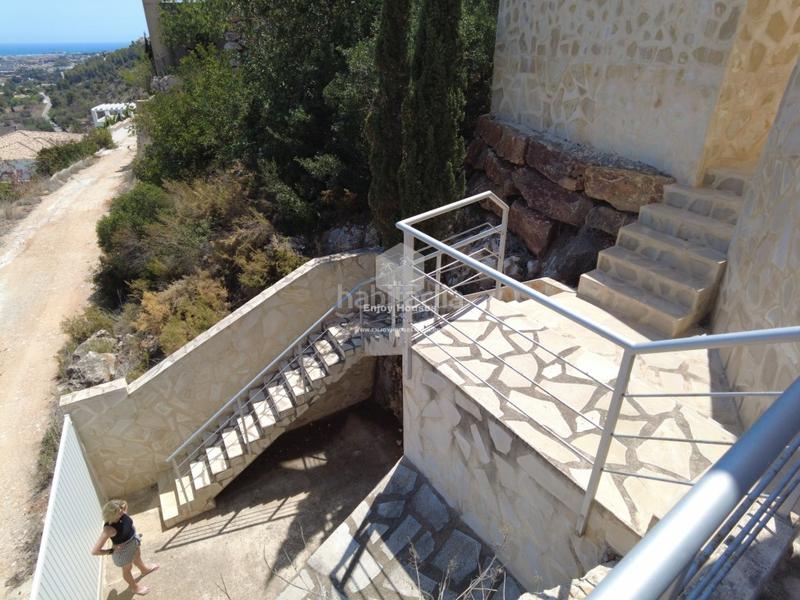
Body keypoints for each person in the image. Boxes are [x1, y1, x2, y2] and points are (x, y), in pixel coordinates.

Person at [91, 499, 159, 596]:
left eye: (122, 510)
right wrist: (111, 550)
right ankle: (134, 587)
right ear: (111, 515)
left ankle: (144, 570)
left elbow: (124, 505)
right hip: (123, 552)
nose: (123, 512)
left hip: (133, 542)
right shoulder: (108, 529)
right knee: (127, 570)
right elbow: (95, 551)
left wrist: (120, 507)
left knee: (137, 557)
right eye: (119, 512)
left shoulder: (121, 513)